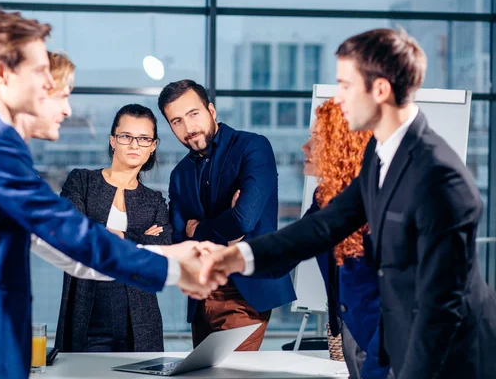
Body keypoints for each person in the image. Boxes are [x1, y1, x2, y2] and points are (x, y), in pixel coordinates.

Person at [0, 11, 219, 379]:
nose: (60, 100)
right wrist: (174, 266)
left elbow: (68, 251)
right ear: (1, 74)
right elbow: (75, 238)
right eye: (41, 74)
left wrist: (167, 254)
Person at [200, 28, 496, 379]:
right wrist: (233, 257)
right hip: (390, 345)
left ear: (381, 89)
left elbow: (439, 310)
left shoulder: (440, 179)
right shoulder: (378, 155)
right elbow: (320, 228)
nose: (337, 98)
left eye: (346, 86)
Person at [158, 79, 296, 351]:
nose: (188, 128)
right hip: (201, 297)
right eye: (176, 122)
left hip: (245, 293)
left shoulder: (253, 147)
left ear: (211, 110)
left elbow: (243, 220)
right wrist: (225, 228)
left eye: (193, 114)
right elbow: (177, 239)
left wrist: (196, 231)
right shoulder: (179, 174)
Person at [54, 104, 170, 353]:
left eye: (143, 139)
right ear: (113, 141)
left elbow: (163, 256)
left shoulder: (154, 201)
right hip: (87, 315)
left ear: (153, 146)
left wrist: (122, 236)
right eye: (126, 137)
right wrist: (141, 240)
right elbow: (74, 235)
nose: (134, 145)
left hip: (140, 321)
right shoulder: (82, 181)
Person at [303, 98, 391, 379]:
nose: (305, 148)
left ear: (341, 146)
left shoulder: (382, 201)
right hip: (350, 325)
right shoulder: (324, 198)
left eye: (316, 139)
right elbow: (290, 246)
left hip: (387, 334)